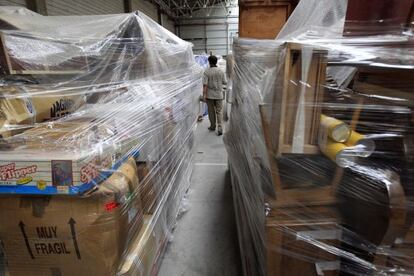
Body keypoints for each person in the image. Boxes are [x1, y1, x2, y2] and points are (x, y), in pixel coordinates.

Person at [203, 55, 227, 136]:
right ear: (216, 62)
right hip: (219, 94)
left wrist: (204, 95)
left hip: (210, 95)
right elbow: (225, 82)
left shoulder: (206, 71)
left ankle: (213, 126)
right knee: (219, 111)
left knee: (211, 111)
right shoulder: (221, 71)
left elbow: (205, 85)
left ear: (209, 62)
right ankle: (220, 127)